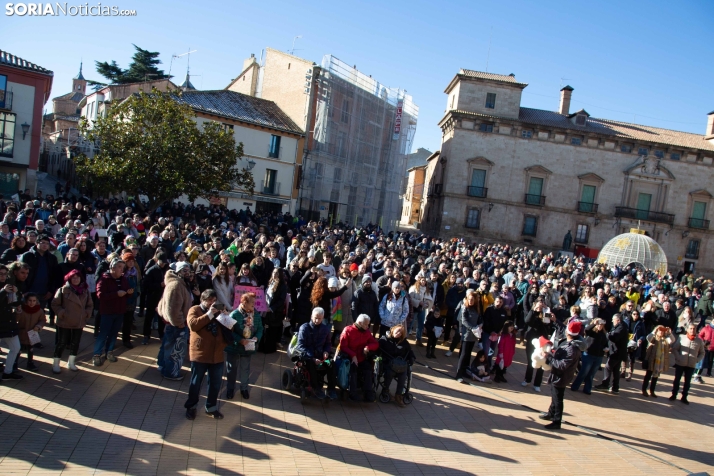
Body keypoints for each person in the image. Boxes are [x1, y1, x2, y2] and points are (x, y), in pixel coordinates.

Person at [184, 289, 229, 420]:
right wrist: (209, 315)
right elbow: (193, 325)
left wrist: (225, 316)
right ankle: (191, 407)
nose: (212, 303)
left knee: (215, 383)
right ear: (202, 300)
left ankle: (211, 407)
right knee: (196, 382)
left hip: (217, 354)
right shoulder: (195, 310)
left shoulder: (219, 312)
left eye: (214, 301)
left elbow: (231, 328)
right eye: (209, 301)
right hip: (200, 354)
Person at [538, 320, 584, 430]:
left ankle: (557, 421)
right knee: (555, 396)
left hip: (561, 376)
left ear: (568, 333)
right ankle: (551, 413)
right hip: (559, 375)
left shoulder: (571, 348)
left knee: (558, 398)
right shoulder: (570, 344)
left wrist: (548, 356)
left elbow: (562, 365)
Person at [156, 261, 194, 380]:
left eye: (188, 270)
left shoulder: (180, 283)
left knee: (168, 346)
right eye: (184, 270)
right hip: (176, 325)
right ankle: (171, 372)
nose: (187, 272)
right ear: (177, 272)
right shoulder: (176, 285)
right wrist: (180, 323)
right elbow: (173, 309)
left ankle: (163, 366)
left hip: (175, 323)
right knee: (175, 350)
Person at [51, 269, 93, 373]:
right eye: (73, 278)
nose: (75, 279)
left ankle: (71, 362)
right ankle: (56, 363)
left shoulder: (85, 291)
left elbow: (90, 305)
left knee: (75, 342)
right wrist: (62, 313)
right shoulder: (62, 290)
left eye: (77, 277)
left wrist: (86, 314)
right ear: (69, 279)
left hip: (79, 321)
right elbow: (55, 304)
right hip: (65, 321)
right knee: (62, 342)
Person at [225, 291, 263, 400]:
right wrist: (239, 339)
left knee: (245, 368)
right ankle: (230, 389)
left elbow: (260, 328)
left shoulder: (255, 314)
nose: (254, 305)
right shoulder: (234, 314)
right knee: (231, 369)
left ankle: (244, 389)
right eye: (252, 303)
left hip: (248, 347)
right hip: (234, 347)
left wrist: (256, 337)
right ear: (244, 302)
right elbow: (228, 331)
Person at [93, 259, 130, 367]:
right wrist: (116, 294)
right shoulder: (104, 279)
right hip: (107, 312)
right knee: (103, 333)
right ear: (113, 268)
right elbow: (100, 295)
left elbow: (126, 291)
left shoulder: (123, 279)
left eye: (123, 268)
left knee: (114, 333)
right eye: (119, 267)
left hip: (120, 311)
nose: (121, 270)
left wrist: (129, 293)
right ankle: (97, 354)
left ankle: (109, 352)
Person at [295, 307, 337, 400]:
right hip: (308, 357)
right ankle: (316, 388)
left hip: (321, 357)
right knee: (310, 363)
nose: (317, 320)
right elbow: (300, 346)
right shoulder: (304, 328)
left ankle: (331, 389)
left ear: (323, 318)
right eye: (315, 318)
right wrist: (313, 358)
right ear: (311, 316)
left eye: (319, 318)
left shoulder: (325, 329)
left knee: (332, 363)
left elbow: (328, 343)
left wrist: (326, 351)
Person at [339, 314, 380, 402]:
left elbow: (375, 344)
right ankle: (352, 393)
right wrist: (353, 355)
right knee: (353, 369)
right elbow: (343, 347)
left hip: (361, 357)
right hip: (349, 357)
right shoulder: (348, 330)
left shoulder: (367, 332)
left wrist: (368, 347)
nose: (368, 326)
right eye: (366, 324)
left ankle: (368, 392)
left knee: (368, 369)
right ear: (360, 323)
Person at [378, 324, 415, 407]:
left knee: (403, 373)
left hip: (400, 364)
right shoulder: (384, 340)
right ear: (392, 330)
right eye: (397, 331)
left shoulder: (404, 342)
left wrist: (412, 358)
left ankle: (398, 395)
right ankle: (385, 390)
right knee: (390, 372)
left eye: (401, 333)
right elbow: (377, 350)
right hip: (388, 363)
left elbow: (410, 352)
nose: (399, 333)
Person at [669, 323, 706, 405]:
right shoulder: (682, 338)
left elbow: (702, 353)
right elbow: (675, 349)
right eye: (691, 328)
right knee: (677, 380)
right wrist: (678, 357)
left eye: (694, 329)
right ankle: (674, 394)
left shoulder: (699, 341)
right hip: (681, 363)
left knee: (687, 382)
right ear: (687, 330)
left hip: (691, 364)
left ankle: (684, 397)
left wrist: (697, 360)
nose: (692, 330)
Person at [571, 318, 608, 394]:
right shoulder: (591, 332)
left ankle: (587, 389)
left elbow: (605, 343)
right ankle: (575, 386)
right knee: (584, 372)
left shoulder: (604, 334)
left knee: (591, 374)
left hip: (599, 356)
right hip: (589, 355)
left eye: (602, 324)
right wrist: (594, 323)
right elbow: (587, 330)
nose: (600, 326)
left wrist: (606, 348)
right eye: (599, 324)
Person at [521, 300, 552, 392]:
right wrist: (534, 310)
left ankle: (537, 384)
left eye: (542, 306)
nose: (540, 307)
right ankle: (527, 379)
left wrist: (546, 312)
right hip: (532, 341)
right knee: (531, 361)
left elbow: (548, 325)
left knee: (542, 361)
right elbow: (527, 321)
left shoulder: (545, 313)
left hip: (543, 342)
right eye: (539, 306)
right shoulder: (532, 313)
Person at [595, 313, 629, 394]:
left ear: (618, 320)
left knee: (608, 367)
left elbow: (614, 337)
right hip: (618, 352)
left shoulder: (621, 328)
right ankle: (615, 387)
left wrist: (607, 334)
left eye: (613, 320)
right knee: (616, 370)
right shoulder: (621, 326)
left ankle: (605, 385)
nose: (612, 321)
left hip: (616, 352)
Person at [455, 290, 483, 382]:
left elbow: (479, 319)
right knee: (463, 354)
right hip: (466, 334)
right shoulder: (465, 307)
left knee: (468, 354)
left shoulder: (477, 308)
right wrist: (473, 328)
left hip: (474, 335)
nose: (470, 301)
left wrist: (480, 325)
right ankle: (458, 374)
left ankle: (464, 371)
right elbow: (464, 321)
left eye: (472, 299)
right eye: (469, 299)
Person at [15, 293, 46, 372]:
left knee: (31, 349)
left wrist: (39, 326)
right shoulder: (21, 309)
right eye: (30, 300)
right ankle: (14, 363)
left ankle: (30, 362)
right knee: (18, 349)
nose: (32, 303)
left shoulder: (39, 310)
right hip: (21, 333)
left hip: (33, 332)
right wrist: (18, 312)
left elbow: (42, 320)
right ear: (26, 301)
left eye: (34, 301)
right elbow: (16, 319)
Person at [641, 325, 674, 397]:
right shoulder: (654, 338)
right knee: (648, 376)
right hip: (652, 360)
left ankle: (652, 390)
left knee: (655, 377)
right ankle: (644, 389)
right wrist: (654, 331)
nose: (661, 332)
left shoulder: (664, 339)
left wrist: (669, 333)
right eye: (660, 331)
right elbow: (648, 337)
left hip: (659, 361)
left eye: (662, 331)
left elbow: (672, 340)